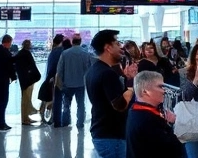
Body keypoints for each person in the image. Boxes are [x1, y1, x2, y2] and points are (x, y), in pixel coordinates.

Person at [86, 29, 136, 158]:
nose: (121, 47)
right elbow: (120, 105)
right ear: (108, 47)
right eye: (117, 43)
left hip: (102, 131)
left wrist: (126, 78)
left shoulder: (94, 69)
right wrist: (131, 86)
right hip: (111, 136)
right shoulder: (108, 73)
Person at [127, 70, 182, 157]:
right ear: (145, 91)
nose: (164, 91)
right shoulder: (148, 118)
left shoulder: (135, 110)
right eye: (160, 87)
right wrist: (170, 125)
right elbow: (172, 149)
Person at [56, 34, 94, 128]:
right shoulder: (86, 54)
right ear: (80, 41)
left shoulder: (65, 53)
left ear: (72, 42)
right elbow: (89, 69)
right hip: (81, 84)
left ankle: (65, 122)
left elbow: (59, 70)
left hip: (67, 84)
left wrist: (60, 82)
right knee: (81, 105)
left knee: (66, 105)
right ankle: (80, 123)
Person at [14, 39, 41, 126]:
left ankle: (26, 117)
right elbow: (31, 66)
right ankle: (25, 119)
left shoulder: (20, 54)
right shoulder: (26, 54)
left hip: (24, 80)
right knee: (26, 99)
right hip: (28, 81)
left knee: (25, 99)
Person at [41, 34, 65, 124]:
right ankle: (54, 118)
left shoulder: (53, 52)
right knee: (56, 99)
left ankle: (47, 117)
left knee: (49, 99)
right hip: (56, 79)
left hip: (50, 78)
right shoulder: (60, 52)